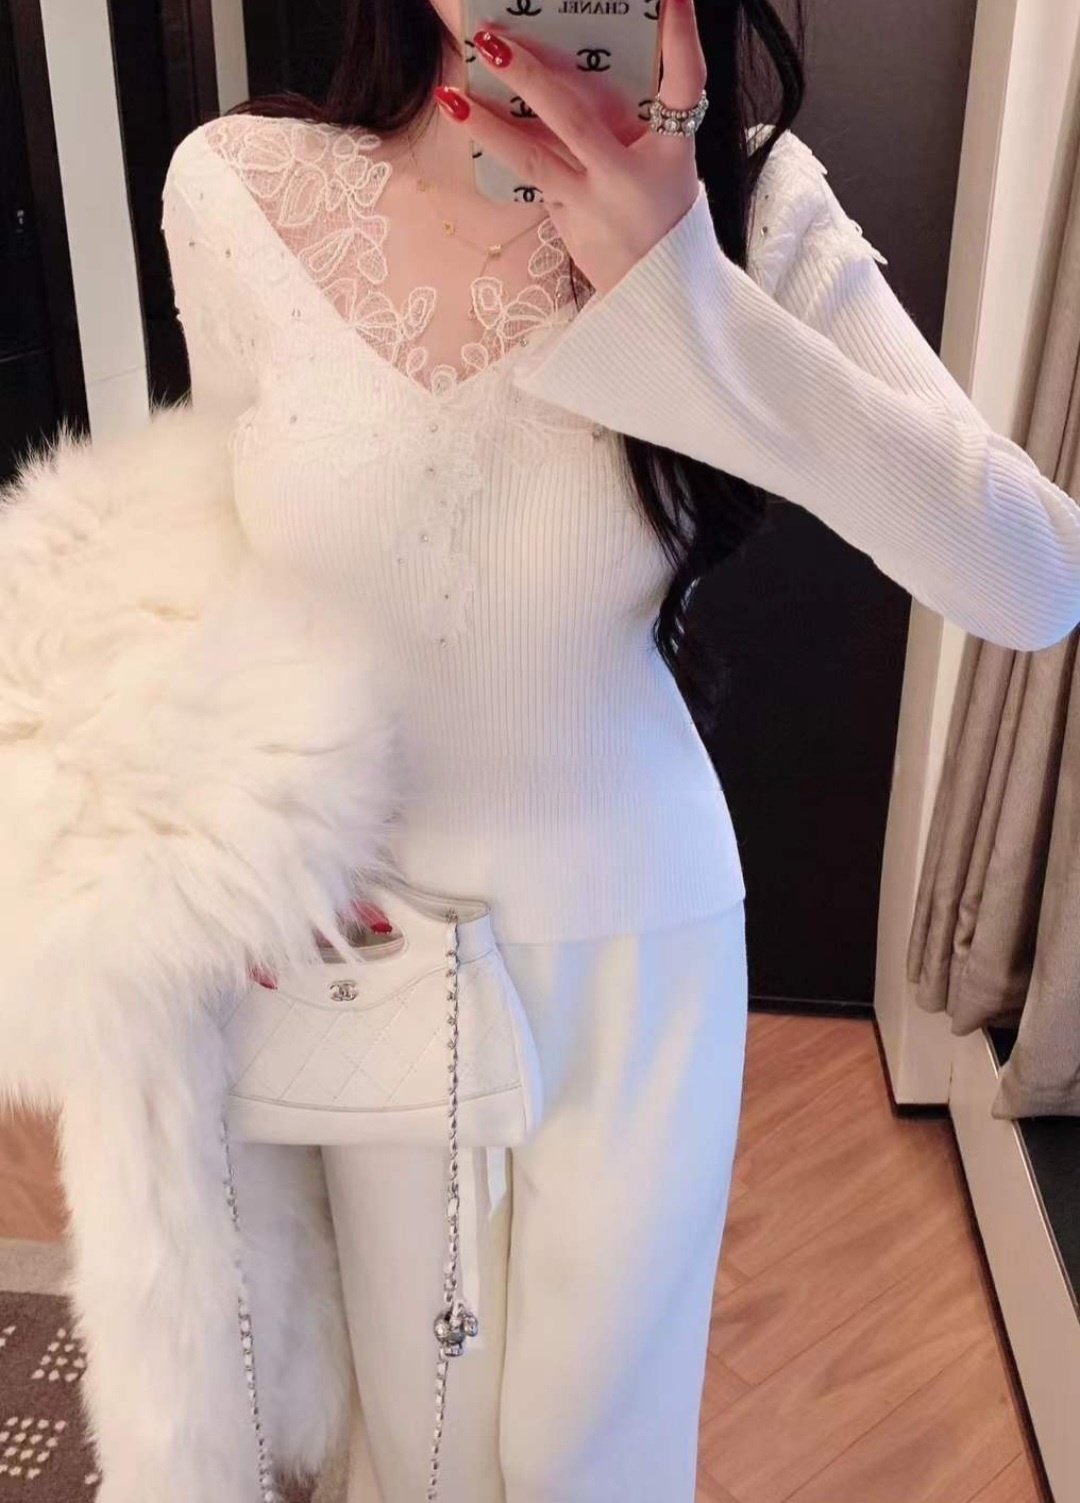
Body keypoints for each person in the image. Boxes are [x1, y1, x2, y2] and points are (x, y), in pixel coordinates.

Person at [158, 0, 1080, 1498]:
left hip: (637, 931)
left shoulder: (753, 202)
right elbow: (222, 567)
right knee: (418, 1441)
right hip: (369, 934)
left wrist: (684, 295)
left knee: (598, 1458)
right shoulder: (242, 190)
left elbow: (1034, 580)